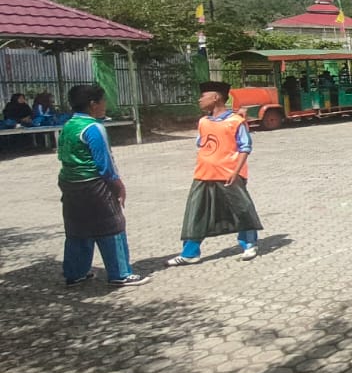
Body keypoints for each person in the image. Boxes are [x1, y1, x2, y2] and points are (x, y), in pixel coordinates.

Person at [57, 83, 149, 287]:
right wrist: (118, 185)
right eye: (103, 101)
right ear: (93, 104)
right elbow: (104, 162)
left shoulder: (68, 126)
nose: (104, 105)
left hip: (70, 183)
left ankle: (75, 272)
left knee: (77, 227)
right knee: (112, 225)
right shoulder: (93, 128)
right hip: (93, 185)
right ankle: (120, 273)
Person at [167, 81, 264, 265]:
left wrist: (236, 172)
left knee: (241, 209)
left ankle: (249, 244)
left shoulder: (236, 121)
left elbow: (245, 147)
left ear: (216, 97)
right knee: (195, 212)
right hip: (203, 174)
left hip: (229, 174)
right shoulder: (203, 122)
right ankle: (190, 253)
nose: (200, 100)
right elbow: (201, 144)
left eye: (203, 96)